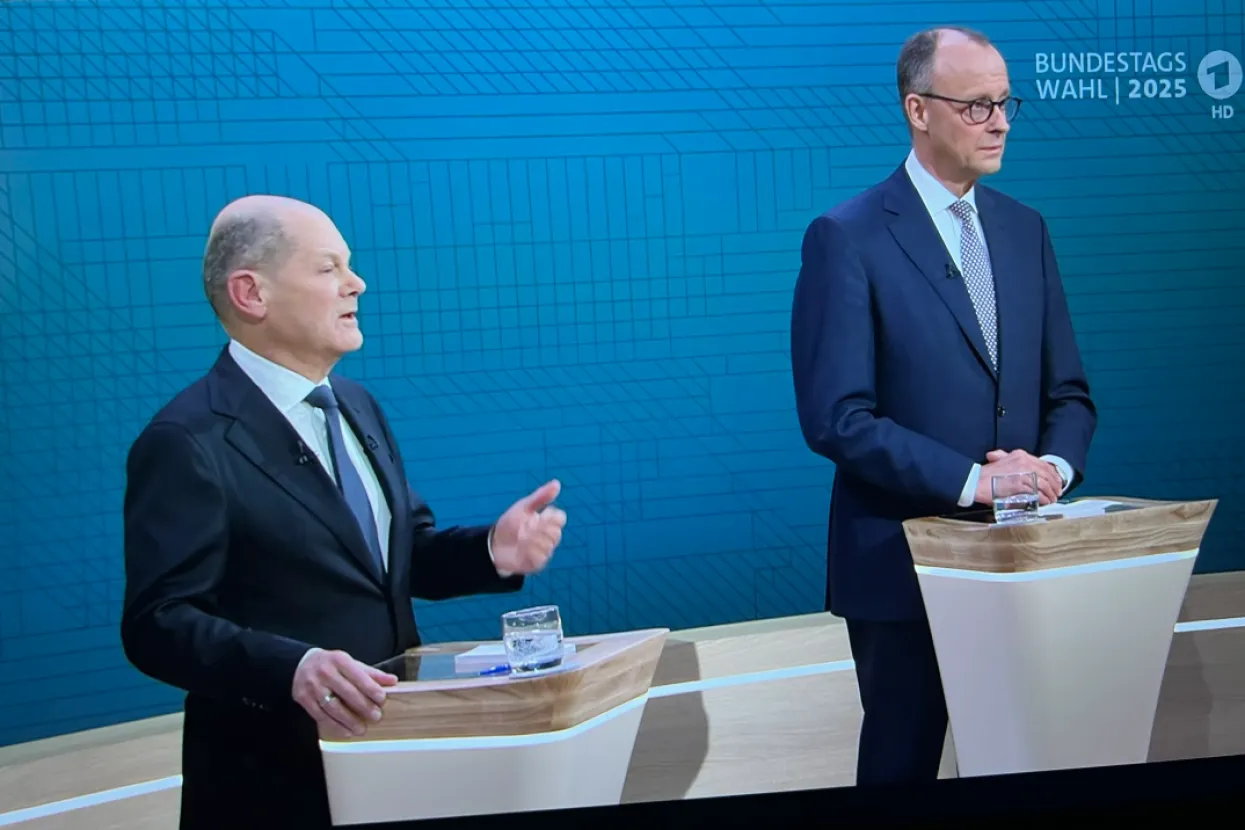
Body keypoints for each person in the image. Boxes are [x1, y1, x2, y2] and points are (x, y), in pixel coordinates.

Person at [120, 194, 568, 828]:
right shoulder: (186, 441)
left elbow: (393, 561)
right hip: (273, 784)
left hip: (395, 757)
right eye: (328, 268)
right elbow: (157, 623)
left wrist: (492, 549)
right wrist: (293, 668)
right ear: (251, 293)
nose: (356, 284)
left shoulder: (356, 404)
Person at [789, 26, 1096, 786]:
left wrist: (1048, 470)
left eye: (1004, 104)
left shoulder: (1025, 229)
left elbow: (1068, 394)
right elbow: (837, 417)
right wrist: (975, 480)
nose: (999, 123)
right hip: (901, 566)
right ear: (918, 110)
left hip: (1025, 558)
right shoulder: (847, 237)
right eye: (976, 105)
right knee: (901, 769)